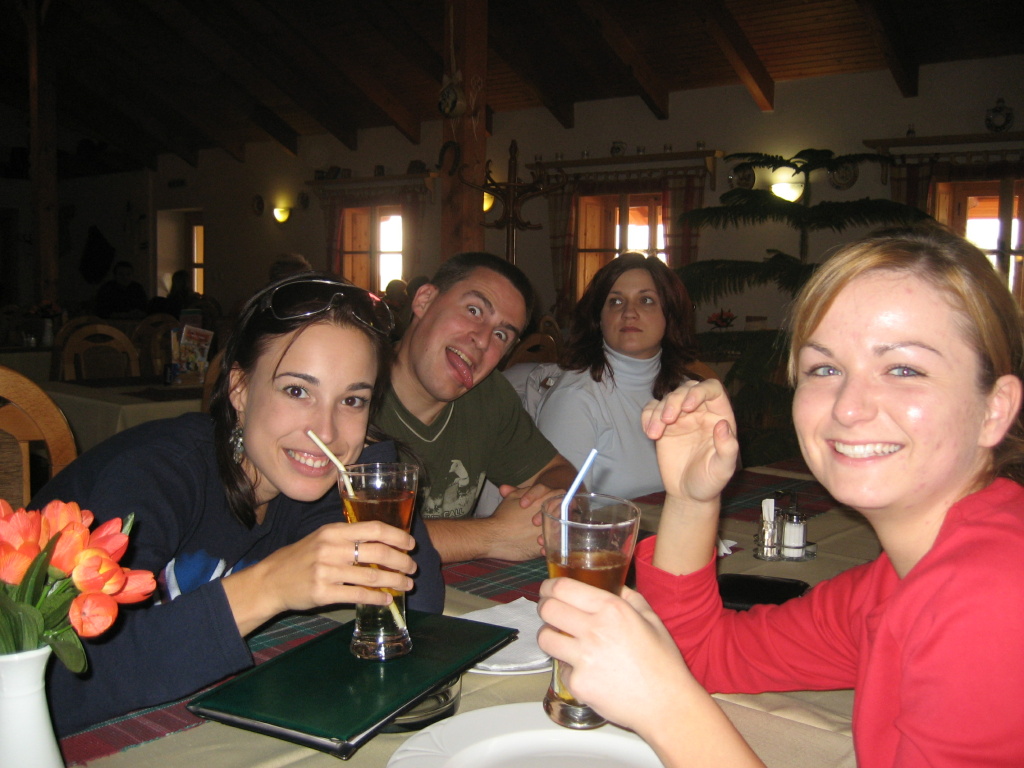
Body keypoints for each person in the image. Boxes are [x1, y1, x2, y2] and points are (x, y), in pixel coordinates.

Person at [537, 226, 1024, 767]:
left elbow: (671, 676)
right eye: (825, 368)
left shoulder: (993, 594)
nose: (849, 407)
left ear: (995, 409)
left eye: (904, 368)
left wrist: (664, 707)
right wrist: (693, 499)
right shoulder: (896, 582)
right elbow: (698, 653)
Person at [35, 271, 444, 735]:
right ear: (240, 390)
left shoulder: (308, 485)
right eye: (297, 391)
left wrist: (370, 463)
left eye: (352, 400)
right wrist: (268, 587)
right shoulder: (154, 476)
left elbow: (417, 605)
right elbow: (59, 681)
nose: (326, 431)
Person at [374, 252, 578, 563]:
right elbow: (340, 538)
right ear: (425, 300)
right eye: (474, 310)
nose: (483, 340)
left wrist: (546, 502)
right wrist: (494, 535)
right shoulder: (351, 392)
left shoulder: (488, 395)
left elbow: (560, 473)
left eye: (501, 334)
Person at [532, 252, 699, 499]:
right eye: (616, 301)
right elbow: (560, 510)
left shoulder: (689, 394)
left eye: (646, 300)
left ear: (670, 315)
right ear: (599, 319)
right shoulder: (575, 399)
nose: (629, 312)